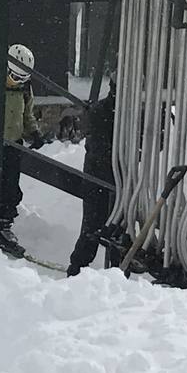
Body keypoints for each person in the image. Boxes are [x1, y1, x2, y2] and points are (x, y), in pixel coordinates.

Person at [0, 43, 47, 258]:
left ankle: (4, 225)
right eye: (15, 78)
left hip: (13, 144)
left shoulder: (23, 89)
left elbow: (26, 113)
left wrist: (33, 132)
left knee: (11, 188)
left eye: (23, 79)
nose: (18, 82)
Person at [66, 85, 120, 276]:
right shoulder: (101, 112)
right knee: (94, 225)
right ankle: (78, 269)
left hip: (115, 176)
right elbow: (100, 149)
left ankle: (118, 270)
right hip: (98, 177)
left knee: (117, 226)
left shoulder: (124, 111)